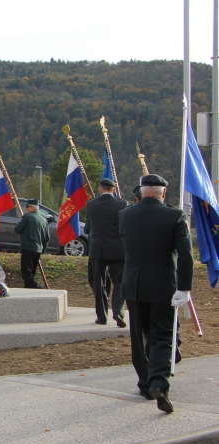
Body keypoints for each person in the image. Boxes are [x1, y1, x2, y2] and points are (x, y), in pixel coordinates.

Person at [118, 174, 193, 413]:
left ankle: (145, 383)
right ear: (164, 193)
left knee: (138, 337)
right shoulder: (175, 216)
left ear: (140, 193)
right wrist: (184, 288)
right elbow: (186, 255)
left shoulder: (125, 215)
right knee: (162, 335)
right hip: (163, 285)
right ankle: (159, 383)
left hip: (134, 285)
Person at [85, 178, 129, 327]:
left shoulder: (91, 205)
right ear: (114, 189)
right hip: (118, 249)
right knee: (120, 281)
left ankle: (102, 316)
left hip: (98, 248)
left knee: (98, 282)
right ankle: (118, 311)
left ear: (100, 189)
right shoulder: (123, 205)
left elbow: (88, 228)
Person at [14, 199, 49, 288]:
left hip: (28, 248)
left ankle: (36, 286)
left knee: (26, 272)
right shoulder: (44, 220)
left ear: (32, 208)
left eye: (27, 207)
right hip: (38, 249)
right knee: (32, 272)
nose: (26, 209)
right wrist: (43, 249)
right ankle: (29, 289)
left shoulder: (27, 217)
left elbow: (17, 229)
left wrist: (21, 222)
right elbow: (47, 237)